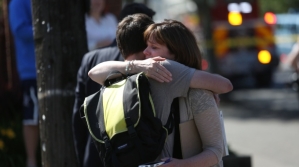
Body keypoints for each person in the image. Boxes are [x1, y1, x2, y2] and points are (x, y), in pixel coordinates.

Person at [88, 15, 233, 166]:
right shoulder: (145, 73)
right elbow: (217, 149)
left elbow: (94, 73)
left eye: (154, 47)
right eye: (146, 45)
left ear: (176, 52)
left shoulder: (165, 68)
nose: (146, 52)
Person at [72, 3, 156, 167]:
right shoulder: (146, 62)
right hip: (136, 153)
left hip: (95, 153)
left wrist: (82, 156)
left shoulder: (90, 59)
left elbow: (78, 117)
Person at [9, 0, 39, 167]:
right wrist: (45, 29)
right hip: (31, 70)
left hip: (51, 71)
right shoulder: (17, 3)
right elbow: (19, 30)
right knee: (32, 118)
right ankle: (31, 161)